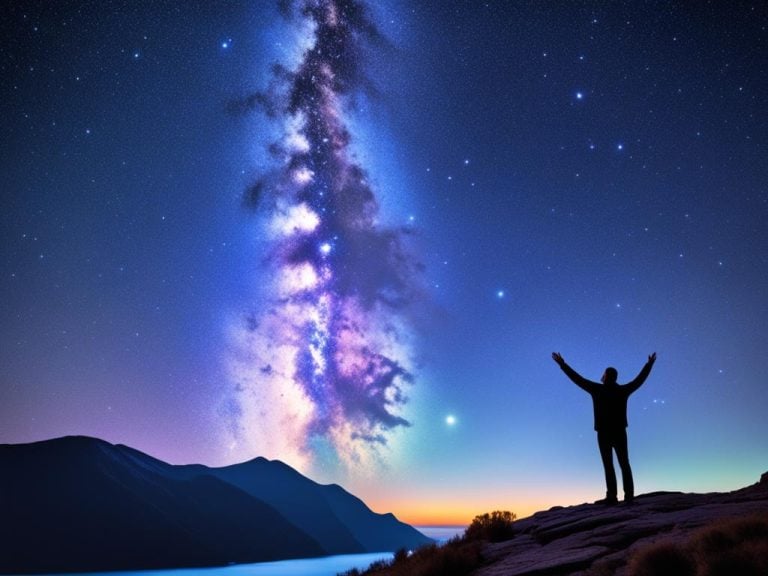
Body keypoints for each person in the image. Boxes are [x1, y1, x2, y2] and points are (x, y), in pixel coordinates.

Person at [551, 351, 657, 505]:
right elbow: (639, 381)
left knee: (609, 465)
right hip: (619, 431)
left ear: (607, 376)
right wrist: (648, 365)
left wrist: (563, 365)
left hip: (604, 433)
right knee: (624, 463)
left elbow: (578, 379)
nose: (602, 375)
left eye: (604, 373)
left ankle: (612, 497)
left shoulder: (597, 389)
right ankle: (628, 497)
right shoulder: (622, 390)